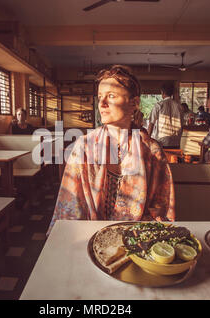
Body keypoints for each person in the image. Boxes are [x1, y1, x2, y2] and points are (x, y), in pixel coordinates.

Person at [48, 65, 175, 233]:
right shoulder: (84, 146)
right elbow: (70, 207)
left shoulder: (152, 151)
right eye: (100, 97)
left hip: (136, 240)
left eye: (111, 96)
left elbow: (161, 210)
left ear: (134, 103)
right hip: (88, 237)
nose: (102, 103)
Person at [147, 83, 183, 149]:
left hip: (162, 142)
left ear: (162, 92)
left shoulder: (158, 105)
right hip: (176, 142)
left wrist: (147, 139)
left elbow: (151, 124)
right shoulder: (179, 106)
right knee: (174, 159)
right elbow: (182, 124)